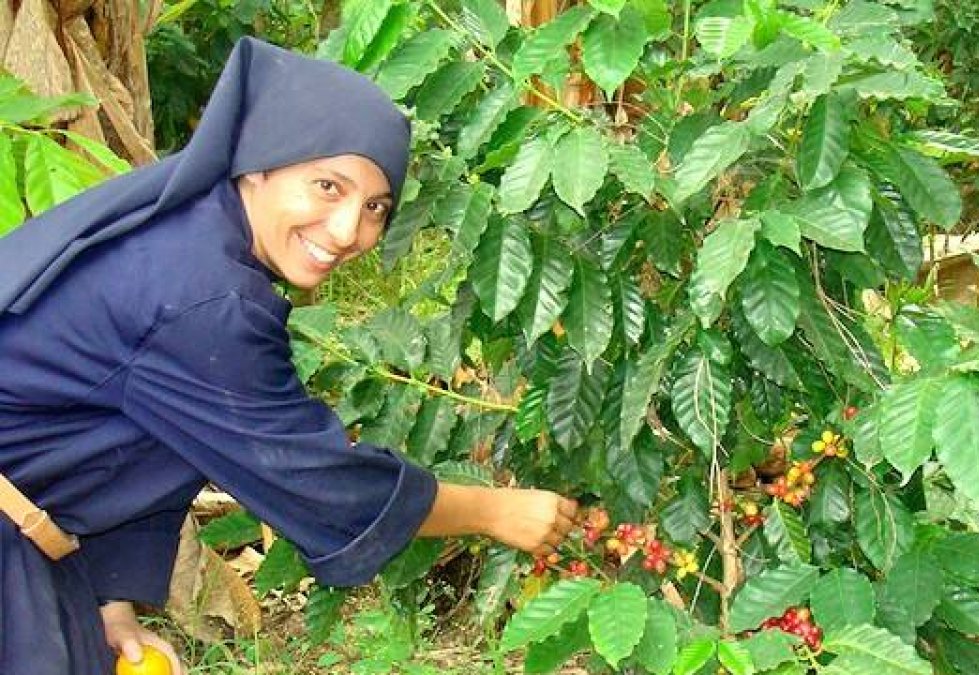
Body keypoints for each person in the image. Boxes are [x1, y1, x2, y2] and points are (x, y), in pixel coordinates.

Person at [0, 37, 576, 675]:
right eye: (328, 186)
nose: (347, 230)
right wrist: (494, 510)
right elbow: (314, 476)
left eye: (375, 208)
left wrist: (111, 598)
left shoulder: (191, 235)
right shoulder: (202, 294)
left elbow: (153, 436)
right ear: (258, 165)